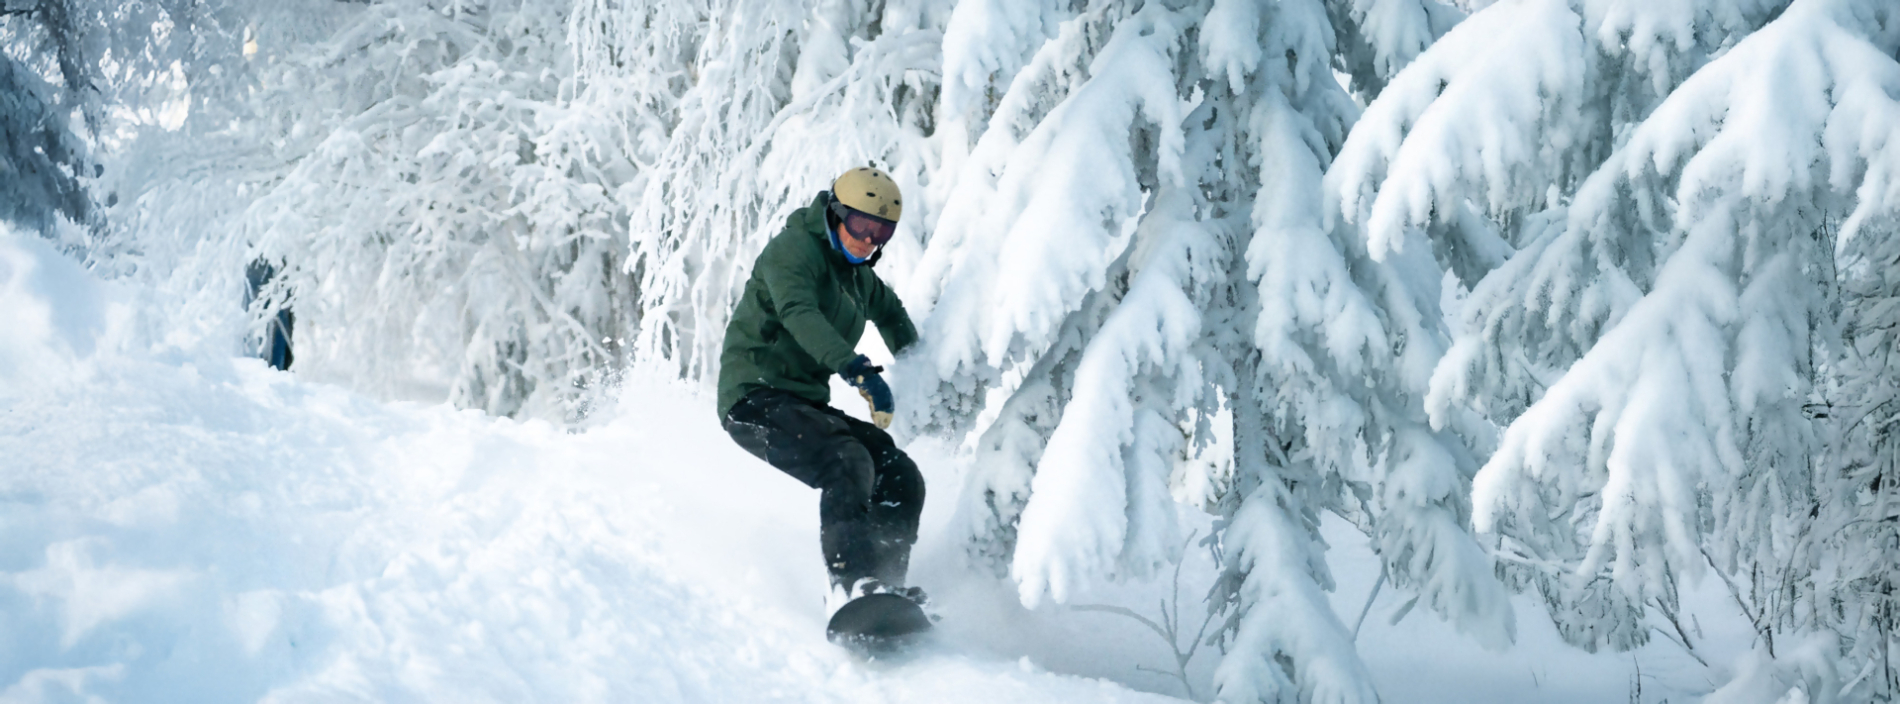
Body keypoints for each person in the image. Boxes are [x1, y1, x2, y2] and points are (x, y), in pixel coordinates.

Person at [717, 166, 925, 611]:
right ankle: (852, 586)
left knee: (898, 471)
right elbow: (798, 312)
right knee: (844, 459)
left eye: (881, 232)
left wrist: (927, 373)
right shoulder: (793, 251)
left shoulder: (858, 280)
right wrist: (858, 370)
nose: (868, 241)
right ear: (835, 214)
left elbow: (893, 316)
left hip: (802, 402)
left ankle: (885, 586)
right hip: (753, 397)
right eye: (861, 226)